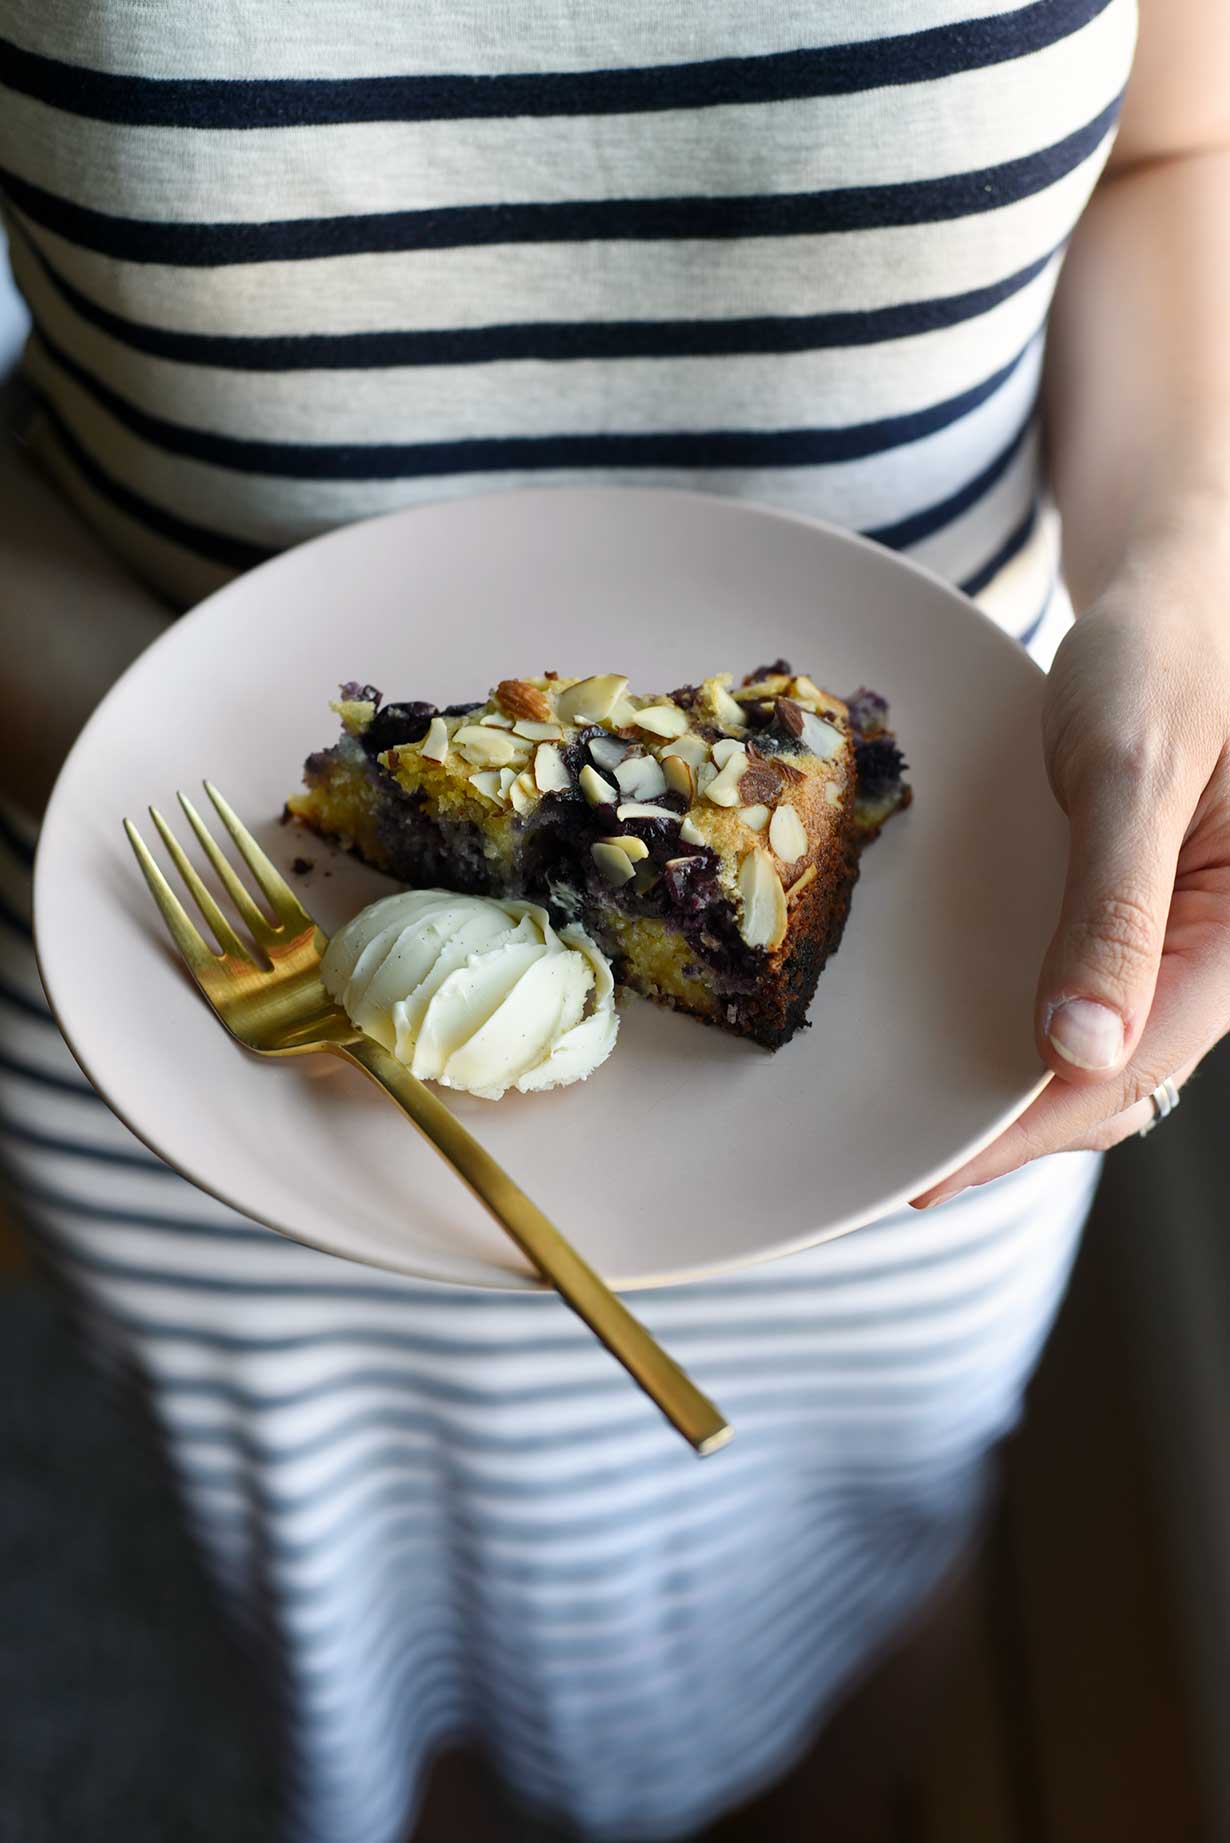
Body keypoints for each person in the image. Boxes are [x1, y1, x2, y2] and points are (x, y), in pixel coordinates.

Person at [1, 2, 1227, 1839]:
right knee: (337, 1637)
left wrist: (1195, 574)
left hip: (946, 977)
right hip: (191, 960)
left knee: (836, 1592)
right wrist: (137, 734)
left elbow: (1173, 150)